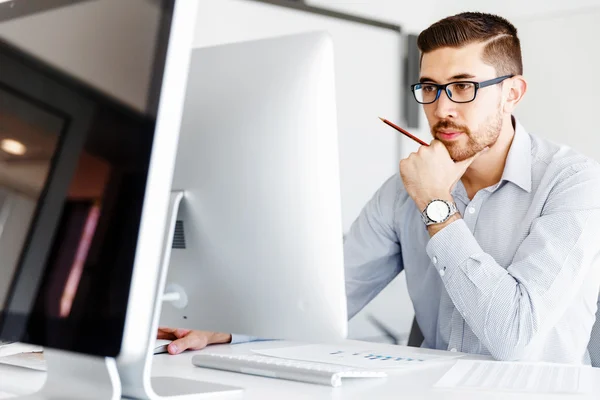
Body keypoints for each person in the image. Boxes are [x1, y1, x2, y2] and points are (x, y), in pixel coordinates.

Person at [159, 12, 600, 364]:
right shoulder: (401, 189)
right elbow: (327, 296)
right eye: (429, 87)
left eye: (462, 86)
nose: (441, 108)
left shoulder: (574, 182)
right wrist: (231, 327)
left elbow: (515, 336)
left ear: (513, 93)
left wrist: (435, 206)